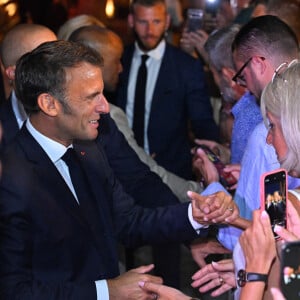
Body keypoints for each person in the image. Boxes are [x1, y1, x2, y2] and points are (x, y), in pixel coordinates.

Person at [0, 40, 238, 299]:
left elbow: (128, 220)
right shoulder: (10, 178)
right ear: (49, 104)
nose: (104, 107)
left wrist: (195, 214)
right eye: (92, 97)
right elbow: (14, 290)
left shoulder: (88, 150)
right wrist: (107, 291)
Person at [115, 0, 219, 180]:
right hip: (123, 167)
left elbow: (202, 123)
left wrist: (212, 159)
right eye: (143, 22)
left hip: (171, 172)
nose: (150, 30)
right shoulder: (119, 60)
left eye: (156, 21)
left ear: (167, 22)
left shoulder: (186, 66)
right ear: (131, 21)